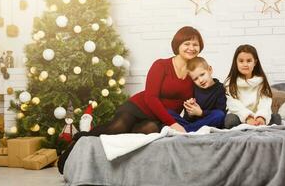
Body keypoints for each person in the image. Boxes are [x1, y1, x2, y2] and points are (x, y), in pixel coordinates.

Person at [58, 26, 205, 174]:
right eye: (187, 43)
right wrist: (173, 123)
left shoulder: (196, 74)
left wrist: (192, 113)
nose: (191, 48)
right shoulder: (161, 65)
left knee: (150, 129)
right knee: (117, 128)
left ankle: (110, 167)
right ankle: (76, 143)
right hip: (139, 107)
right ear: (178, 45)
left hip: (160, 118)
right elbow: (150, 97)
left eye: (195, 44)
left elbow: (188, 105)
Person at [224, 44, 281, 129]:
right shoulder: (230, 83)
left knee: (276, 118)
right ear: (236, 63)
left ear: (255, 62)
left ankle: (258, 123)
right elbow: (233, 104)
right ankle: (248, 124)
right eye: (241, 61)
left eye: (249, 61)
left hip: (257, 115)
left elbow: (265, 102)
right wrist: (248, 118)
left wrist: (261, 117)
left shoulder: (261, 81)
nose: (245, 64)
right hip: (240, 115)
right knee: (230, 121)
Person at [168, 57, 226, 132]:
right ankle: (188, 129)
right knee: (167, 112)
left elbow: (221, 111)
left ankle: (185, 130)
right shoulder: (193, 88)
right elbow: (187, 118)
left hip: (209, 122)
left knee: (219, 115)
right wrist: (190, 112)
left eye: (202, 74)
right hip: (193, 123)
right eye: (195, 79)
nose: (200, 80)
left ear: (210, 70)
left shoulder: (220, 88)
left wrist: (201, 113)